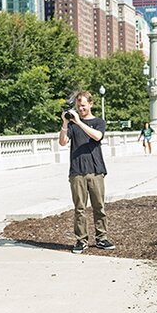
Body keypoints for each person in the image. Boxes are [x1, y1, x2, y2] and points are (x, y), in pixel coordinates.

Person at [59, 90, 114, 254]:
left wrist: (79, 122)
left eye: (83, 105)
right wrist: (65, 123)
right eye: (78, 106)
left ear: (90, 104)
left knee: (99, 206)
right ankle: (81, 240)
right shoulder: (72, 125)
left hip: (96, 170)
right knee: (79, 208)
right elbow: (62, 142)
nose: (81, 109)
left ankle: (101, 239)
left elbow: (97, 136)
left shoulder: (98, 122)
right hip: (77, 171)